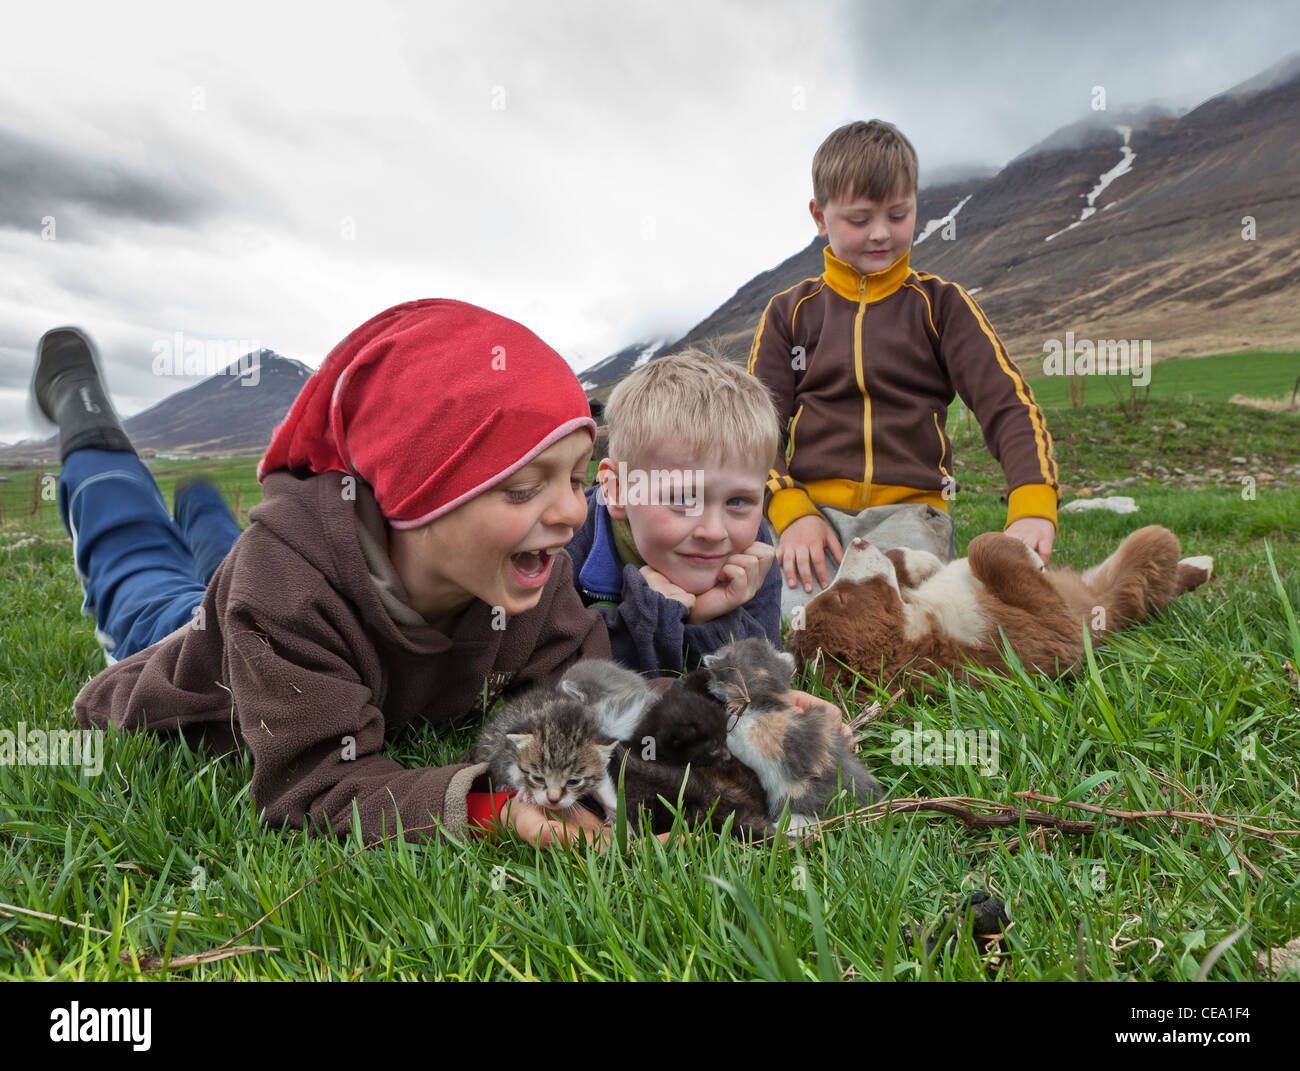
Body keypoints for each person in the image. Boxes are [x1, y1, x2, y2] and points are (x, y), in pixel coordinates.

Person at [34, 300, 615, 848]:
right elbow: (320, 784)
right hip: (182, 636)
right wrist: (490, 810)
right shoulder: (284, 587)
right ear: (417, 495)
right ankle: (80, 405)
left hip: (268, 577)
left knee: (235, 560)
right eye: (523, 488)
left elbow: (591, 701)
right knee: (137, 562)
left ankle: (201, 506)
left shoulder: (534, 574)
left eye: (575, 479)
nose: (571, 512)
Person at [747, 120, 1060, 618]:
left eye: (898, 215)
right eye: (859, 219)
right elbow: (755, 428)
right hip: (812, 516)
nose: (880, 234)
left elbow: (1007, 404)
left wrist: (1032, 503)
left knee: (895, 618)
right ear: (819, 216)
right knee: (792, 618)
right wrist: (790, 512)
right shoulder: (789, 313)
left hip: (913, 515)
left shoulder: (942, 306)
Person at [564, 348, 782, 675]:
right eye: (682, 498)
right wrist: (652, 615)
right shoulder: (570, 545)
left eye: (737, 501)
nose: (714, 532)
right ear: (618, 490)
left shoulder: (753, 553)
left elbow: (762, 675)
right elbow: (571, 679)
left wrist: (708, 618)